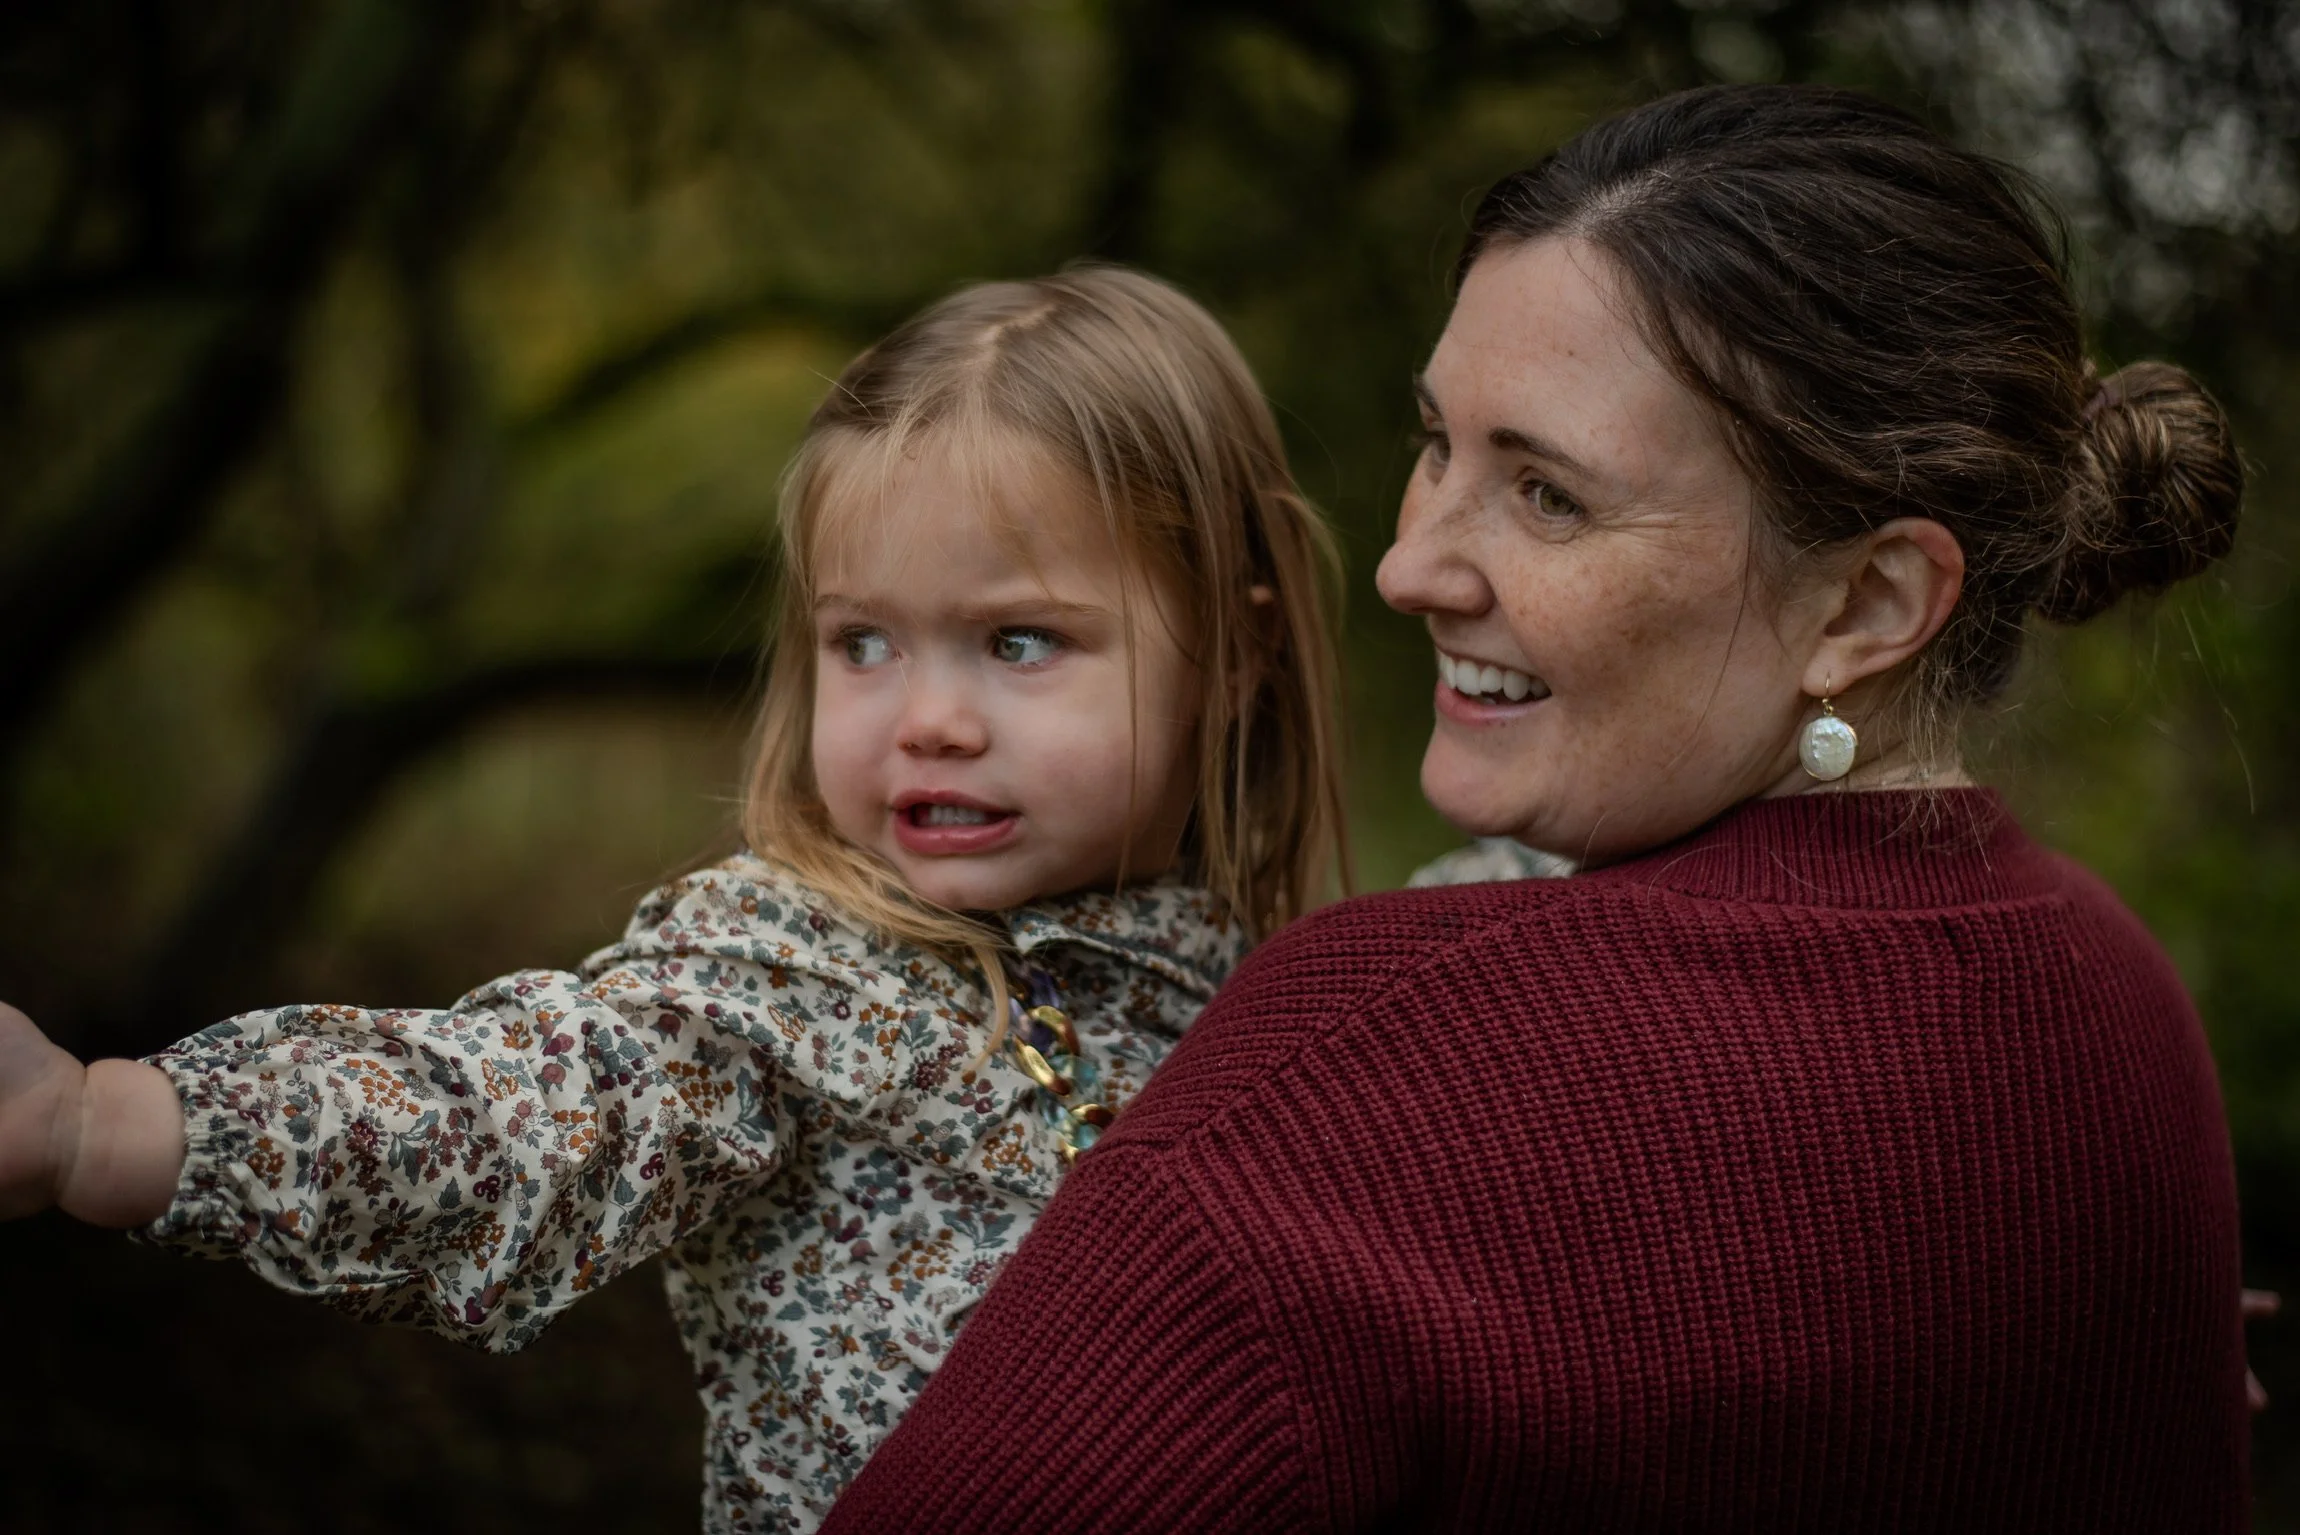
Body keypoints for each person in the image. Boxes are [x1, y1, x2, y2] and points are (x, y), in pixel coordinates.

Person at [819, 84, 2250, 1532]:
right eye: (1436, 444)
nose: (1408, 567)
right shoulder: (2123, 1005)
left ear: (1869, 604)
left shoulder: (1379, 1067)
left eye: (1549, 495)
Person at [0, 265, 1349, 1533]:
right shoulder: (783, 971)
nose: (928, 717)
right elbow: (522, 1120)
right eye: (863, 641)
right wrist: (104, 1125)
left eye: (1020, 640)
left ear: (1234, 654)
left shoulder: (1278, 1002)